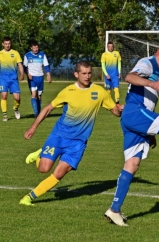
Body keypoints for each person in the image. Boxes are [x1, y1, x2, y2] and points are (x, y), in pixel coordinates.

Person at [104, 39, 159, 227]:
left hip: (134, 117)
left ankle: (114, 210)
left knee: (132, 165)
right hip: (135, 112)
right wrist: (152, 84)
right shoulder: (147, 63)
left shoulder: (158, 71)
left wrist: (149, 132)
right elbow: (130, 77)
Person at [19, 60, 123, 206]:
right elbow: (48, 108)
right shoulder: (68, 91)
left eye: (89, 73)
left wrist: (120, 109)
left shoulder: (100, 92)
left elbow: (115, 112)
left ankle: (28, 198)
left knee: (59, 173)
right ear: (76, 74)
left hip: (78, 143)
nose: (87, 76)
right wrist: (33, 127)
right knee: (43, 169)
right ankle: (41, 152)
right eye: (84, 73)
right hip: (59, 136)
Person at [23, 39, 52, 117]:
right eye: (34, 48)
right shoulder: (27, 55)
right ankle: (36, 113)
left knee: (39, 96)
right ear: (31, 48)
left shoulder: (42, 55)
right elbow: (25, 67)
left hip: (40, 77)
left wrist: (48, 75)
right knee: (33, 94)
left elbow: (46, 65)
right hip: (32, 78)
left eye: (37, 47)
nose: (36, 49)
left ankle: (39, 112)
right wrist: (27, 74)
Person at [0, 36, 24, 121]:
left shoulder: (15, 53)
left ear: (11, 44)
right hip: (3, 79)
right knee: (4, 96)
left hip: (13, 78)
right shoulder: (0, 54)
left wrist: (22, 73)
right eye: (6, 44)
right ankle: (5, 115)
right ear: (3, 44)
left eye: (9, 43)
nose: (7, 45)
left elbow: (20, 64)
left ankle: (15, 109)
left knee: (17, 98)